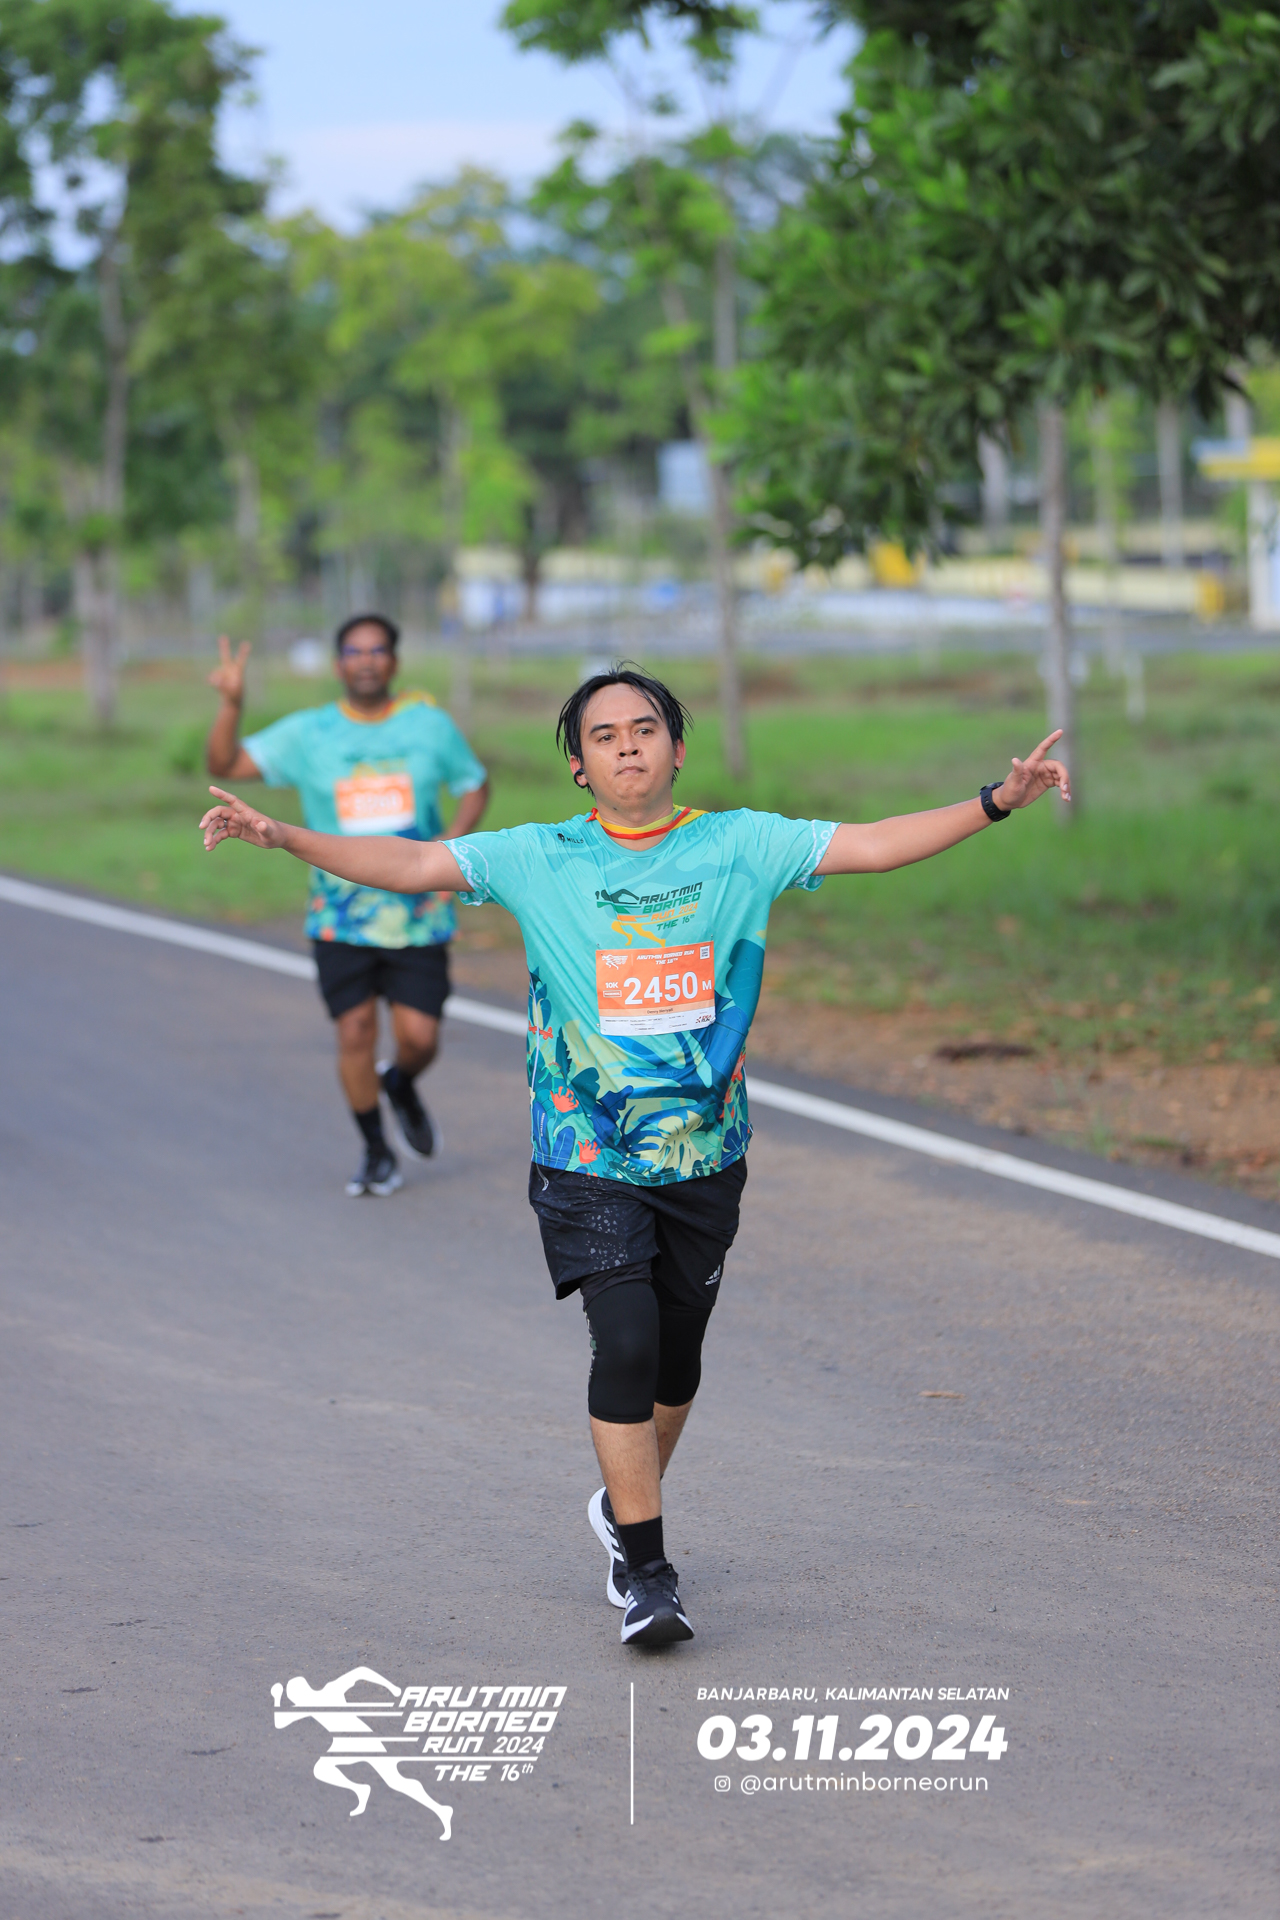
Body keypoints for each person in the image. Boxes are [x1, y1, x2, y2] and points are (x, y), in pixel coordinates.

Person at [200, 663, 1069, 1647]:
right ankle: (648, 1573)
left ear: (675, 748)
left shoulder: (740, 844)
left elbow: (873, 844)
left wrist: (997, 802)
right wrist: (284, 835)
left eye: (643, 729)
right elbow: (409, 864)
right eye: (604, 736)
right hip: (587, 1152)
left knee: (675, 1361)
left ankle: (622, 1508)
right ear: (579, 765)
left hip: (705, 1155)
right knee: (623, 1343)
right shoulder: (539, 856)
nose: (626, 746)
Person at [205, 615, 489, 1197]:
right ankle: (376, 1151)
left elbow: (474, 782)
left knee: (420, 1038)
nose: (366, 661)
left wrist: (451, 848)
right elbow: (224, 764)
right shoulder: (309, 732)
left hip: (418, 911)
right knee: (354, 1031)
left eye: (378, 650)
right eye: (354, 652)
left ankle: (401, 1081)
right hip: (340, 916)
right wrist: (232, 703)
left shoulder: (429, 725)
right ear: (339, 664)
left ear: (394, 662)